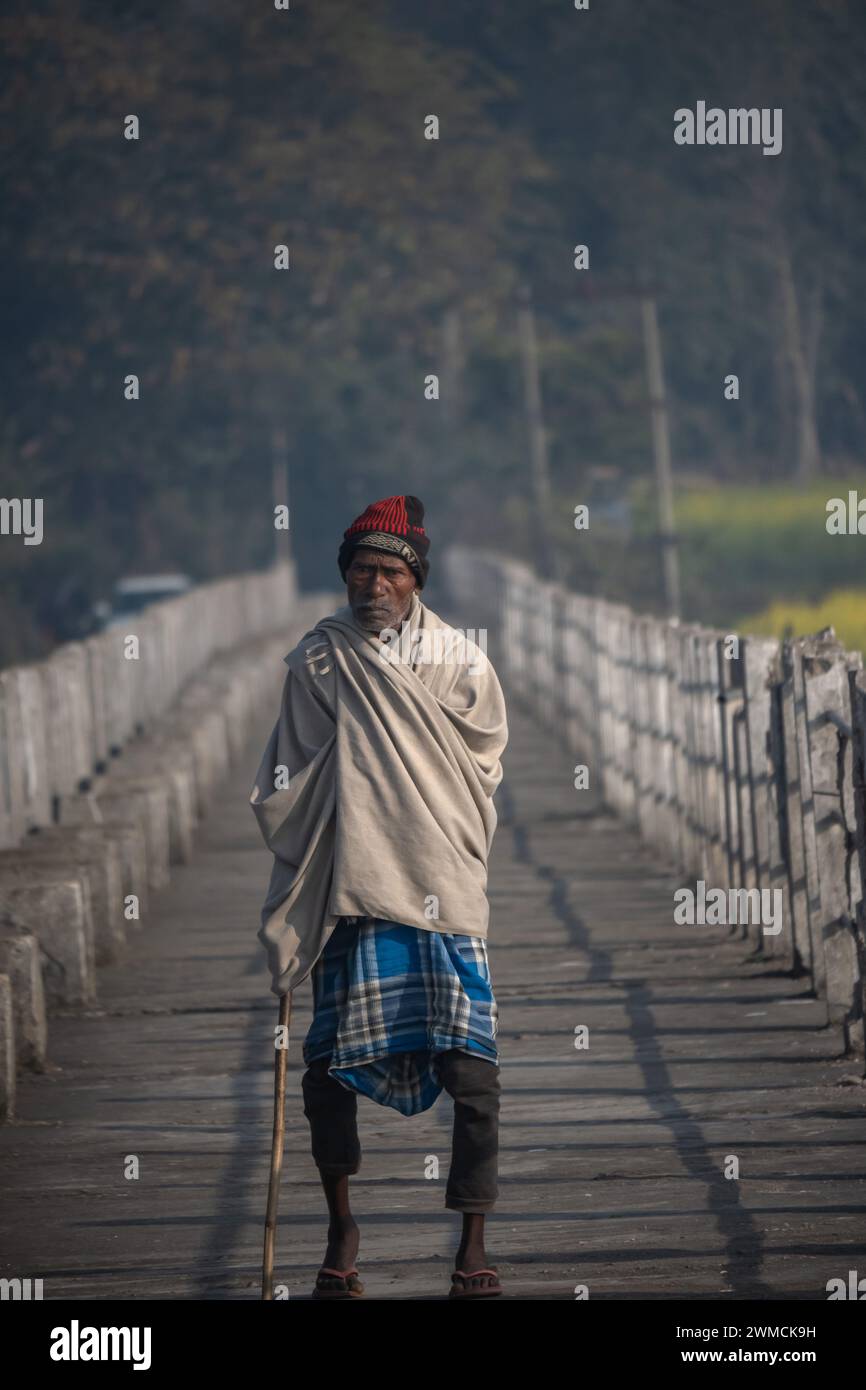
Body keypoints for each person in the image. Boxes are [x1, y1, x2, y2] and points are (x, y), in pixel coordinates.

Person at [250, 494, 508, 1299]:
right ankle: (342, 1226)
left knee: (474, 1069)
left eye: (390, 570)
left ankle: (471, 1241)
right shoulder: (319, 662)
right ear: (345, 576)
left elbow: (481, 767)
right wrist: (341, 791)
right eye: (361, 569)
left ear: (415, 579)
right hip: (352, 887)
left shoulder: (461, 660)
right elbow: (284, 779)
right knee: (326, 1069)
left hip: (441, 888)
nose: (374, 584)